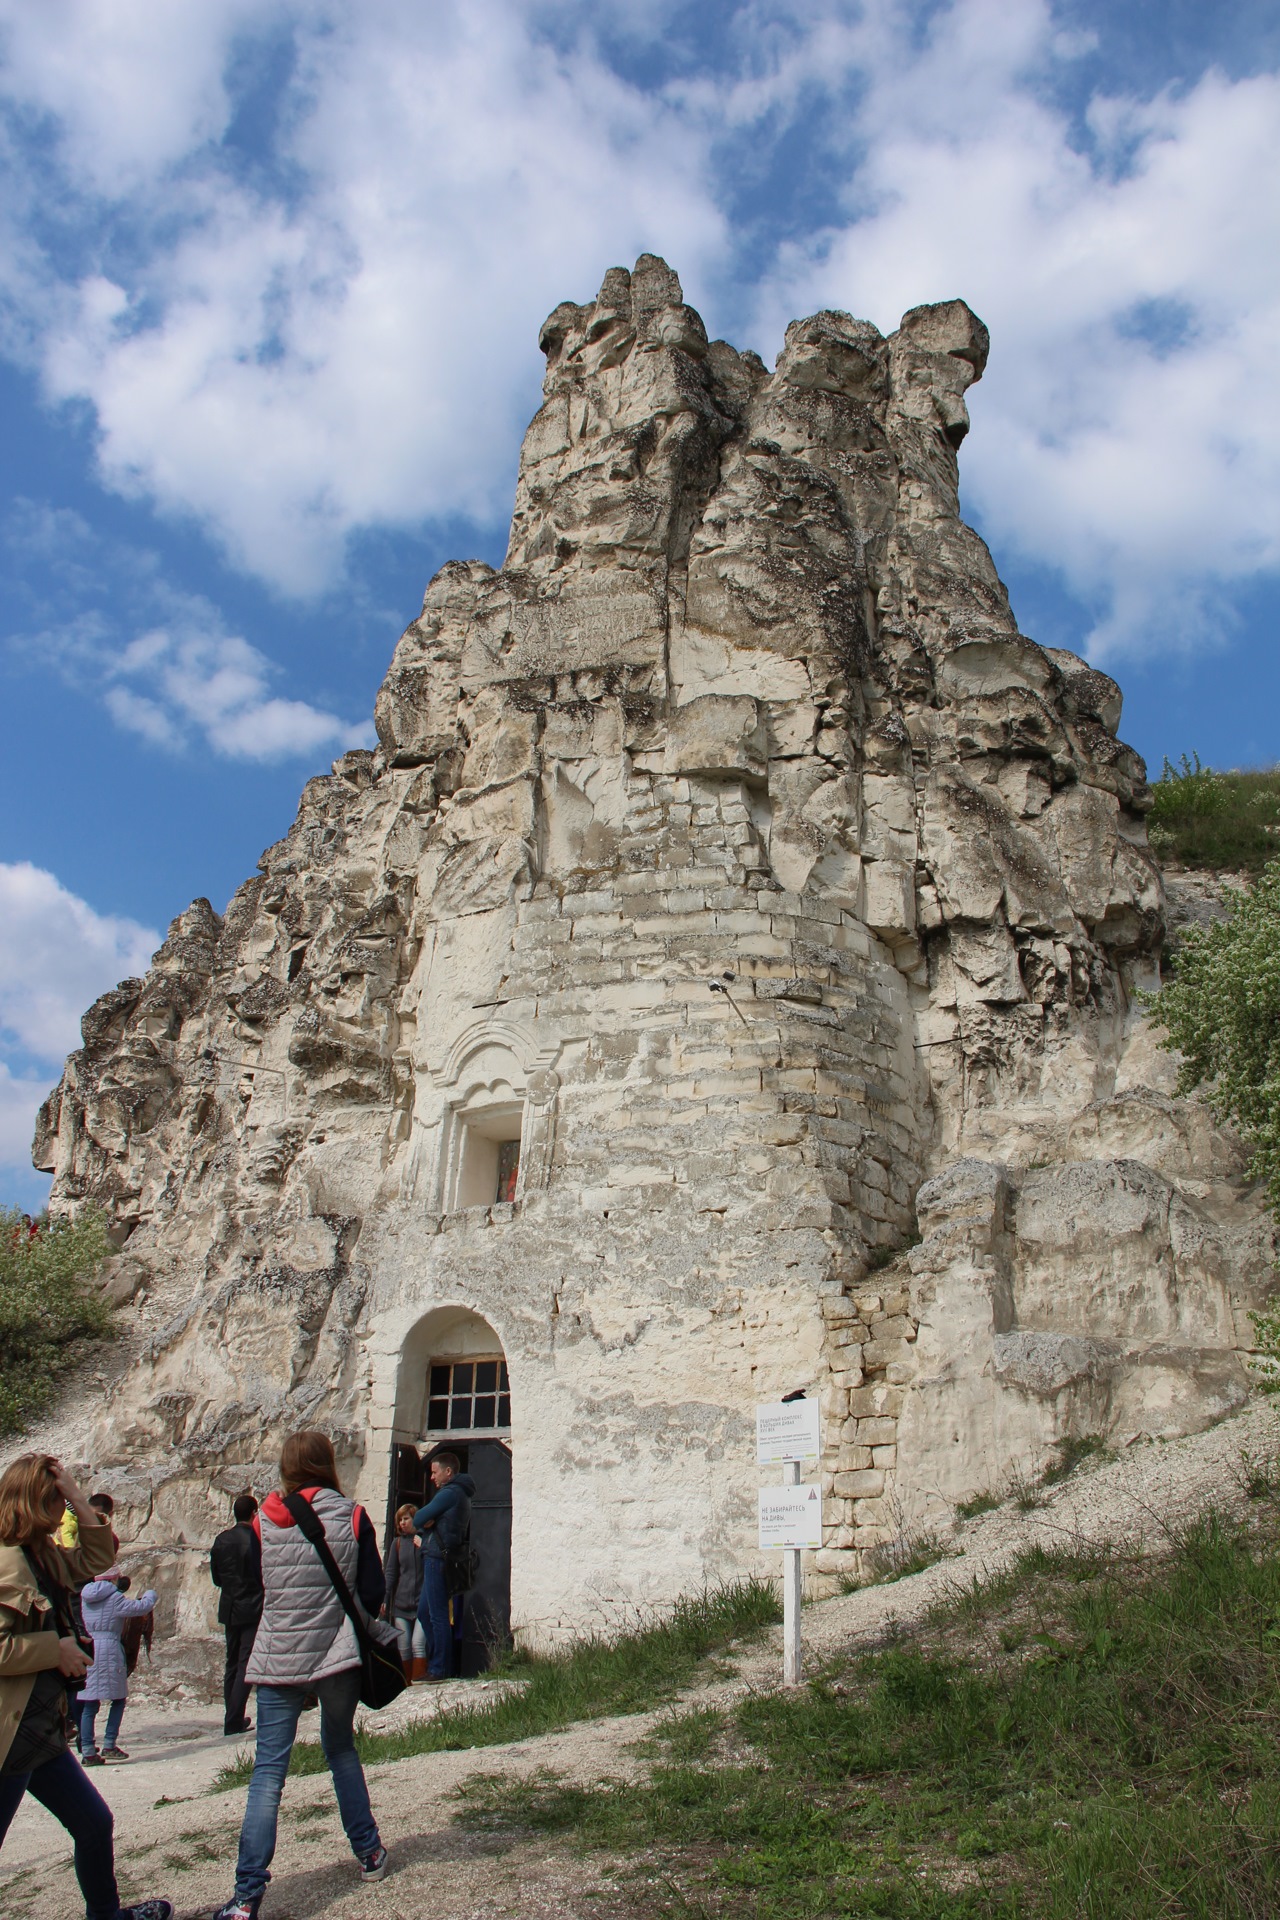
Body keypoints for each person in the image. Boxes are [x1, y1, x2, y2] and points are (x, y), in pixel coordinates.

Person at [211, 1431, 389, 1920]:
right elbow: (373, 1590)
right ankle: (369, 1852)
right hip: (335, 1653)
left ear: (287, 1468)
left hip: (278, 1653)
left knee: (268, 1772)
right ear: (328, 1464)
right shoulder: (352, 1515)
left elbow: (259, 1584)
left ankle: (247, 1894)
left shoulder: (264, 1522)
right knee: (340, 1750)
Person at [0, 1452, 172, 1920]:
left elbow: (100, 1557)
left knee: (94, 1824)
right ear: (39, 1501)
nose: (64, 1507)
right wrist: (53, 1650)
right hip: (11, 1738)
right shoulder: (7, 1564)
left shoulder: (42, 1556)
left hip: (40, 1733)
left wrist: (78, 1495)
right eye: (59, 1498)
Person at [78, 1568, 158, 1765]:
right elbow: (140, 1608)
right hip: (110, 1649)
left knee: (89, 1704)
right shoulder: (115, 1598)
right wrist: (150, 1594)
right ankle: (109, 1744)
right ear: (114, 1578)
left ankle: (87, 1750)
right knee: (118, 1699)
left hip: (90, 1647)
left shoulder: (85, 1597)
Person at [412, 1452, 474, 1683]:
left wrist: (428, 1520)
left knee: (436, 1614)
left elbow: (418, 1518)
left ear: (448, 1472)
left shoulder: (449, 1493)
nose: (432, 1477)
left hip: (437, 1557)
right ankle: (437, 1661)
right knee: (425, 1612)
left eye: (434, 1472)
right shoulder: (459, 1493)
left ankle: (439, 1669)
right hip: (437, 1555)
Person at [210, 1494, 263, 1736]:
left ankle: (231, 1715)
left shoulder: (221, 1539)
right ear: (254, 1512)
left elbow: (217, 1578)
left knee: (231, 1663)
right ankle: (233, 1719)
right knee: (245, 1663)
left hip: (229, 1606)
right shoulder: (255, 1539)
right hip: (252, 1606)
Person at [383, 1505, 426, 1681]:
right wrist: (384, 1598)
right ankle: (404, 1685)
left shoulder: (424, 1539)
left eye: (406, 1519)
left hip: (422, 1603)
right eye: (400, 1520)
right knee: (404, 1647)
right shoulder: (397, 1543)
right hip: (401, 1605)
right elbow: (391, 1572)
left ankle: (419, 1681)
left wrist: (423, 1547)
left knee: (418, 1644)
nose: (402, 1523)